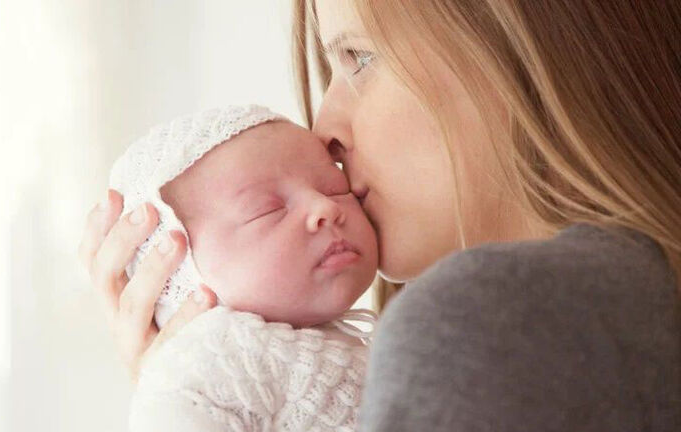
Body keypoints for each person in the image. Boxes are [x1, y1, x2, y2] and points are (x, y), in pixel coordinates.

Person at [79, 0, 681, 430]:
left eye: (359, 58)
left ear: (519, 31)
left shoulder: (484, 322)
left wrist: (187, 395)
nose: (323, 133)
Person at [109, 104, 377, 431]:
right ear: (179, 270)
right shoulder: (211, 361)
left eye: (335, 187)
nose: (327, 206)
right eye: (267, 210)